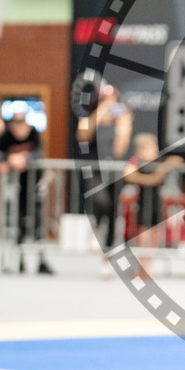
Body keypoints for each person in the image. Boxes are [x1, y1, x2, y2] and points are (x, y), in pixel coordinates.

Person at [0, 110, 53, 274]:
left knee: (37, 222)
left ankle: (41, 260)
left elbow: (39, 153)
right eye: (16, 124)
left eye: (22, 124)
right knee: (16, 222)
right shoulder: (6, 135)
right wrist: (8, 159)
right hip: (15, 188)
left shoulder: (34, 133)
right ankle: (17, 260)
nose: (20, 128)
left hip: (34, 185)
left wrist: (24, 160)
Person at [76, 84, 132, 252]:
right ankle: (97, 227)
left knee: (113, 208)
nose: (108, 103)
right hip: (95, 169)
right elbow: (82, 136)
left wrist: (124, 122)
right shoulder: (90, 118)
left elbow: (119, 149)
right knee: (100, 200)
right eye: (103, 100)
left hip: (114, 170)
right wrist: (100, 112)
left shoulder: (121, 119)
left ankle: (109, 249)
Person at [122, 132, 183, 250]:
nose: (154, 150)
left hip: (157, 207)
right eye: (150, 148)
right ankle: (142, 267)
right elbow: (130, 175)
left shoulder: (158, 163)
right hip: (141, 208)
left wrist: (161, 170)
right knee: (143, 244)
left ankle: (147, 267)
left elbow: (177, 160)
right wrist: (154, 177)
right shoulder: (136, 163)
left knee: (153, 245)